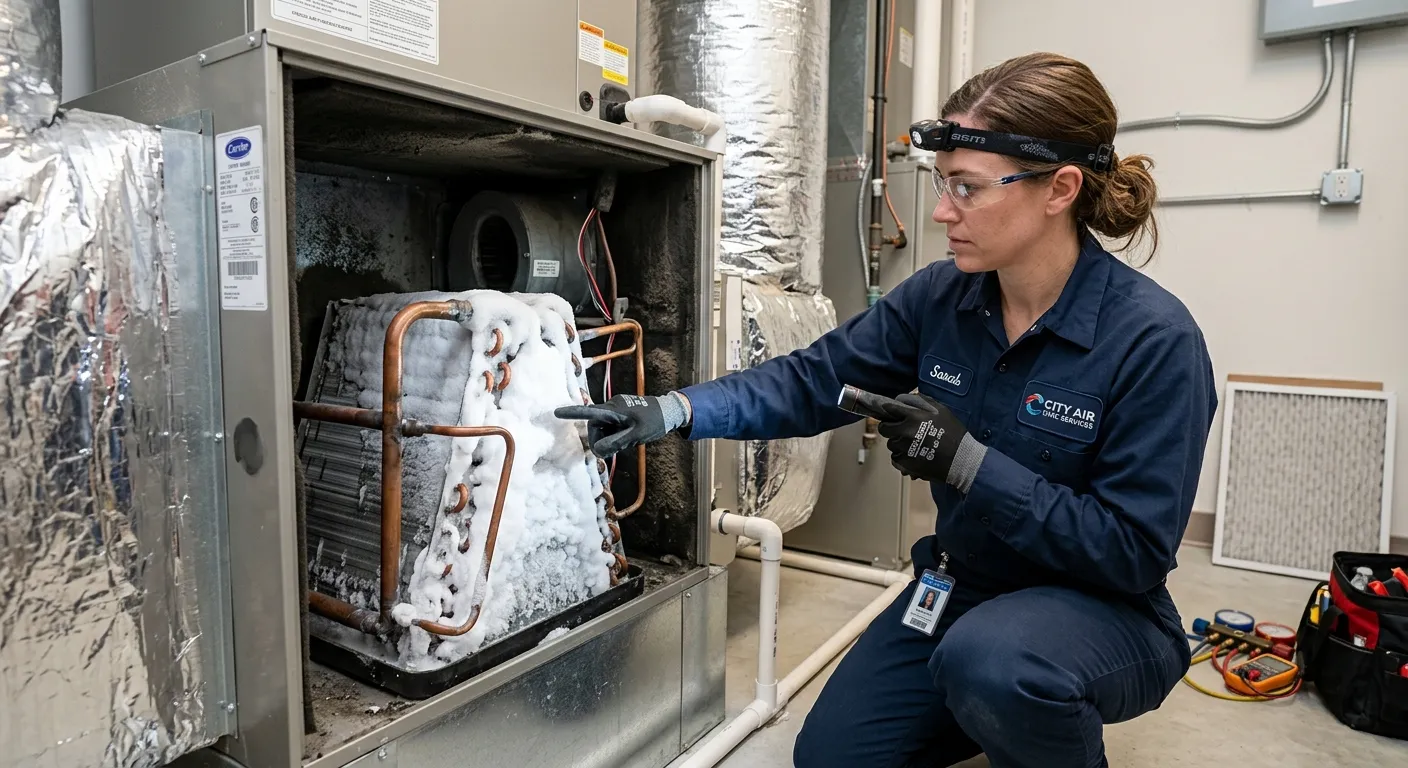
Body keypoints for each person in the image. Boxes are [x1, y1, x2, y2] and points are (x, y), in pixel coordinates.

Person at [557, 52, 1216, 767]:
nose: (941, 212)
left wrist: (969, 464)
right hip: (963, 587)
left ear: (1058, 189)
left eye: (967, 189)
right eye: (942, 184)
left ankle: (1004, 695)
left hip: (1102, 609)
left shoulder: (1154, 341)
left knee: (998, 663)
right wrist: (674, 410)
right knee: (834, 757)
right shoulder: (941, 297)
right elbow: (811, 382)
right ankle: (980, 698)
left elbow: (1131, 552)